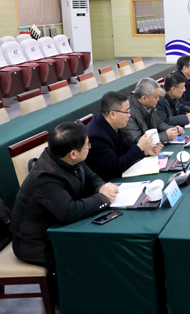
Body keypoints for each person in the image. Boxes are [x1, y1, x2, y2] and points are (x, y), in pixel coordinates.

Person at [12, 122, 119, 309]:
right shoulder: (46, 176)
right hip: (37, 243)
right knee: (91, 256)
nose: (89, 147)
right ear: (73, 153)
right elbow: (69, 212)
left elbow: (91, 176)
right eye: (87, 145)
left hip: (56, 228)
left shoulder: (67, 157)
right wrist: (102, 198)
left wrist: (102, 187)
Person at [86, 91, 163, 181]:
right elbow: (115, 168)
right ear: (112, 114)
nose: (129, 115)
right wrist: (139, 148)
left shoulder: (110, 124)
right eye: (126, 111)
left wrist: (145, 151)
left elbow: (125, 148)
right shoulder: (95, 137)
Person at [120, 77, 183, 144]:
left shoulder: (149, 104)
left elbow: (158, 123)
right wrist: (165, 136)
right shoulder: (128, 113)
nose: (158, 99)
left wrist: (172, 129)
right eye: (156, 97)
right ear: (144, 98)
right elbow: (137, 141)